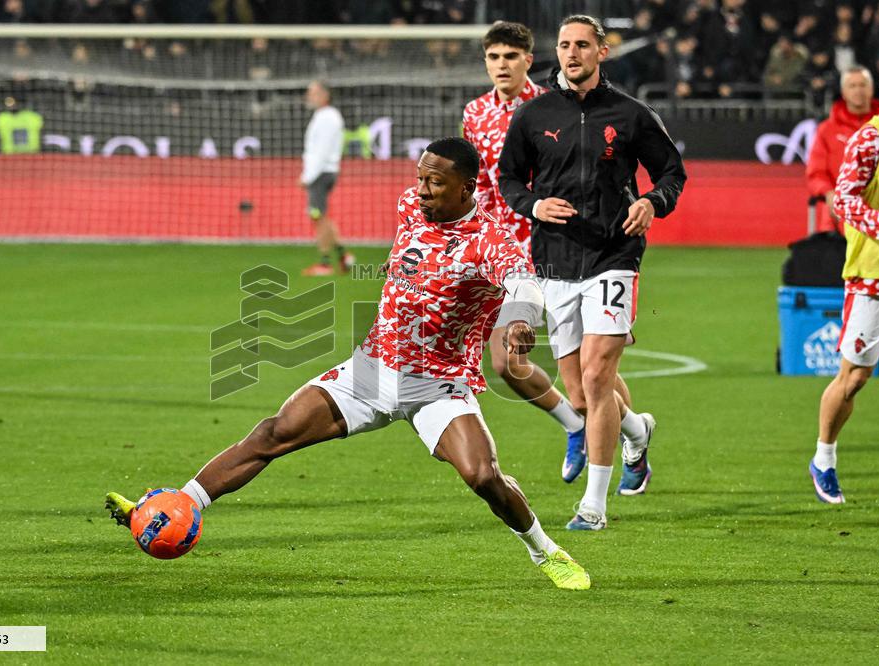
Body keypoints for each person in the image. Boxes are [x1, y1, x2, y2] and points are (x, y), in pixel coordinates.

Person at [107, 137, 591, 590]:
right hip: (372, 368)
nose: (422, 190)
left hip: (437, 384)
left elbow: (524, 283)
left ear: (466, 188)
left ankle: (544, 551)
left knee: (483, 476)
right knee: (273, 433)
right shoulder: (411, 206)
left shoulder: (489, 239)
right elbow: (413, 257)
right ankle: (172, 507)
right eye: (420, 178)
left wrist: (520, 319)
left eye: (435, 182)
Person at [499, 15, 687, 530]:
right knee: (580, 394)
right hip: (555, 260)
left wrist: (651, 201)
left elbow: (672, 172)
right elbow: (508, 178)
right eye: (564, 45)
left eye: (582, 44)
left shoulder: (630, 114)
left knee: (598, 375)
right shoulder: (533, 115)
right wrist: (533, 206)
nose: (572, 53)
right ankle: (637, 432)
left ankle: (594, 506)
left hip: (614, 255)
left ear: (602, 52)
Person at [463, 21, 591, 482]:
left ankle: (633, 435)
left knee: (588, 366)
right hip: (501, 256)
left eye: (511, 57)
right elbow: (478, 184)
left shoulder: (553, 107)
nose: (502, 65)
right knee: (505, 362)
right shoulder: (475, 113)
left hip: (550, 248)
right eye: (494, 57)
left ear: (528, 61)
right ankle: (578, 427)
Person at [808, 93, 879, 504]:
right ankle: (824, 458)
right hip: (875, 275)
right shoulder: (871, 139)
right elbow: (844, 199)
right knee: (854, 376)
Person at [806, 66, 879, 232]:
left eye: (862, 85)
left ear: (872, 89)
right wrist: (828, 193)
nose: (858, 90)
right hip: (838, 216)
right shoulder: (827, 130)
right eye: (852, 86)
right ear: (843, 92)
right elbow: (816, 173)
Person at [299, 80, 353, 276]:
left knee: (318, 217)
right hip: (324, 171)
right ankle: (343, 255)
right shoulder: (325, 116)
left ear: (325, 95)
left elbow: (320, 151)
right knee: (321, 216)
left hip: (320, 173)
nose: (309, 96)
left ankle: (325, 264)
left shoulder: (328, 118)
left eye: (312, 92)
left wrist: (307, 176)